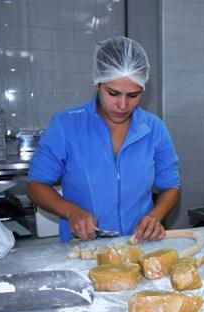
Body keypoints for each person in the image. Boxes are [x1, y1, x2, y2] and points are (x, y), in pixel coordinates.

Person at [27, 36, 180, 243]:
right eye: (113, 93)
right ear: (98, 83)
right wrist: (71, 212)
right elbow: (36, 185)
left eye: (133, 95)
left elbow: (170, 185)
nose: (123, 105)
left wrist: (155, 217)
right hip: (84, 248)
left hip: (138, 245)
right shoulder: (66, 125)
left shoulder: (154, 129)